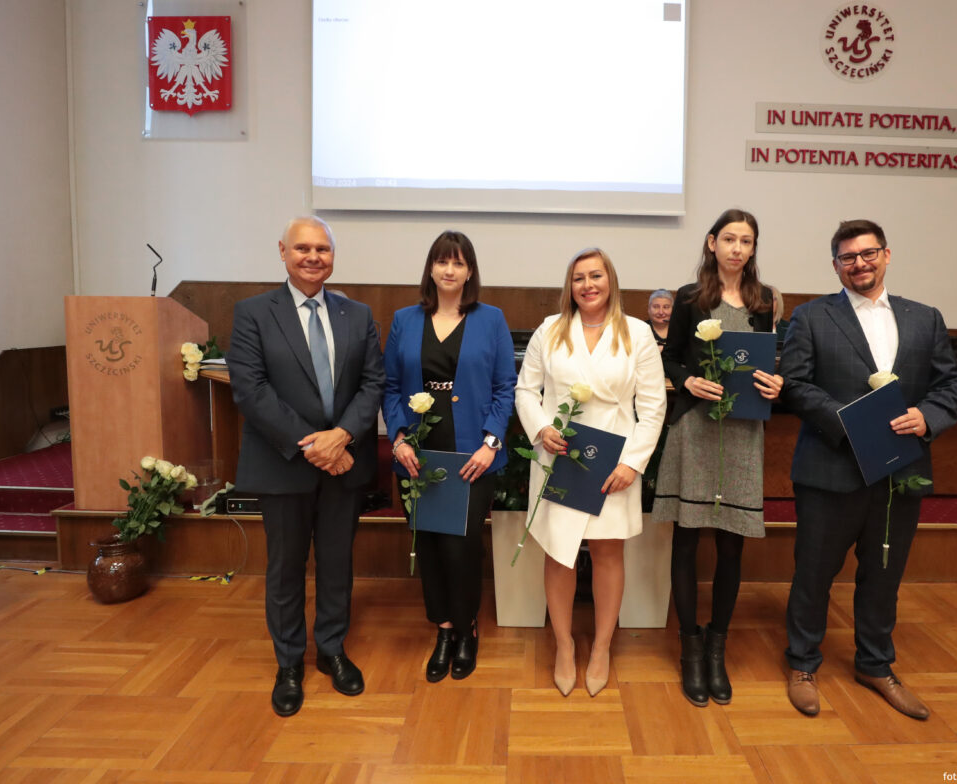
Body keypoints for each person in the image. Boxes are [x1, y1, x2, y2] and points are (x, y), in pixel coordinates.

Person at [778, 219, 957, 720]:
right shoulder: (810, 317)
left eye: (868, 253)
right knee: (814, 573)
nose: (859, 263)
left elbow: (951, 385)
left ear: (886, 255)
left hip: (899, 469)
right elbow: (794, 385)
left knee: (884, 574)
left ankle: (876, 664)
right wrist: (848, 422)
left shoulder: (925, 318)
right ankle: (802, 663)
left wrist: (928, 417)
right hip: (830, 467)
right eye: (848, 257)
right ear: (835, 265)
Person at [228, 216, 385, 717]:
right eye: (302, 248)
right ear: (283, 252)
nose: (313, 257)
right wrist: (314, 445)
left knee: (337, 564)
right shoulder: (253, 313)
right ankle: (289, 663)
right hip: (283, 464)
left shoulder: (357, 314)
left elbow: (373, 384)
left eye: (322, 249)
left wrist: (342, 437)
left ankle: (332, 650)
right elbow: (251, 391)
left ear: (333, 256)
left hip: (344, 462)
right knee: (285, 568)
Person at [515, 248, 666, 697]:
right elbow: (526, 391)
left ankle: (601, 647)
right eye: (578, 277)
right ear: (570, 285)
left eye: (595, 275)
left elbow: (653, 406)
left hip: (613, 461)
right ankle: (564, 645)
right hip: (559, 456)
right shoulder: (550, 329)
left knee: (607, 551)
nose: (587, 285)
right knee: (559, 553)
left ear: (610, 280)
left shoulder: (637, 332)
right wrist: (541, 429)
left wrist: (633, 462)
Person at [652, 208, 783, 707]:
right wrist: (687, 379)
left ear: (753, 248)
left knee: (732, 546)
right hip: (694, 429)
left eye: (746, 241)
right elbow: (669, 357)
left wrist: (774, 382)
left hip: (743, 431)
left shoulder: (764, 300)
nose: (737, 249)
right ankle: (689, 648)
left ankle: (716, 648)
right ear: (711, 243)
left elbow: (768, 361)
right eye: (729, 239)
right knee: (686, 543)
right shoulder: (689, 298)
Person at [382, 231, 516, 683]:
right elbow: (390, 387)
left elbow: (504, 387)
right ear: (431, 267)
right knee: (430, 544)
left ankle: (467, 627)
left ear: (470, 271)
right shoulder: (404, 319)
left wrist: (491, 443)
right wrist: (399, 438)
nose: (449, 270)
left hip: (472, 454)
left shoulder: (491, 319)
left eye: (458, 263)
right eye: (442, 261)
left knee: (461, 546)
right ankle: (443, 629)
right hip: (416, 454)